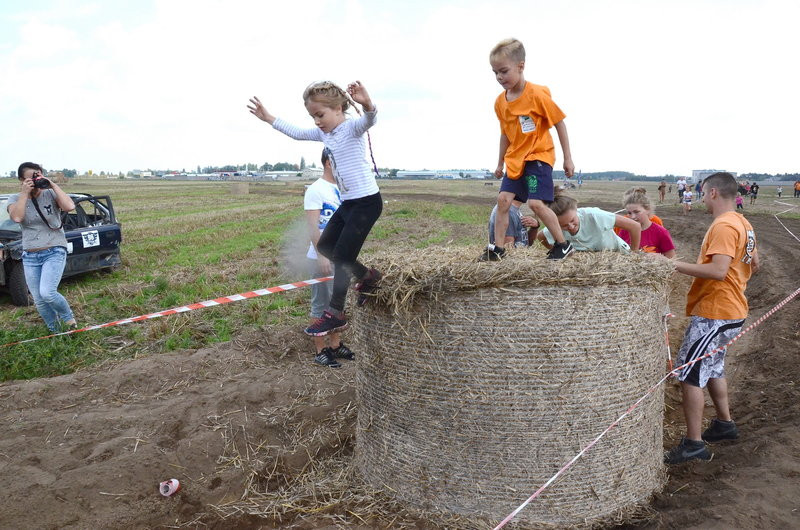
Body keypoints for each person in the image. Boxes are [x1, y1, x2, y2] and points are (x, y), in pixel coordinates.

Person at [248, 80, 382, 336]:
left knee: (342, 257)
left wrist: (367, 105)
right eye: (313, 117)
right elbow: (297, 132)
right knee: (325, 247)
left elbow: (369, 120)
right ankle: (368, 277)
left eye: (320, 115)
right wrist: (268, 118)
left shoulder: (352, 128)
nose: (317, 121)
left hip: (366, 202)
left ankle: (336, 313)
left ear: (339, 108)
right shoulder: (324, 134)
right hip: (350, 203)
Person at [664, 172, 759, 464]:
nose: (702, 198)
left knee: (689, 374)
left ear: (714, 193)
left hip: (715, 312)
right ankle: (724, 424)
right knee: (714, 367)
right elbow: (755, 262)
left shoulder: (723, 226)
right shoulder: (743, 223)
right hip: (732, 309)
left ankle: (693, 444)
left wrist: (670, 264)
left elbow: (718, 271)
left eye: (704, 193)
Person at [480, 38, 575, 262]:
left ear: (520, 66)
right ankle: (498, 249)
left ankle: (562, 245)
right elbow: (505, 133)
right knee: (503, 200)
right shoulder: (500, 102)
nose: (499, 77)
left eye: (504, 71)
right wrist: (500, 163)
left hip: (537, 157)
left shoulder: (537, 96)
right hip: (515, 160)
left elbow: (559, 123)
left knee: (535, 204)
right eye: (495, 73)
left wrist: (568, 159)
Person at [7, 162, 78, 332]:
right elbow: (17, 217)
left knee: (48, 293)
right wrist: (25, 193)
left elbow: (69, 206)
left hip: (54, 250)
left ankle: (69, 320)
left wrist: (52, 184)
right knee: (39, 299)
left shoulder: (50, 194)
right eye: (31, 177)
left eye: (38, 175)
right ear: (21, 180)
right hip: (30, 255)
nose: (36, 180)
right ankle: (57, 332)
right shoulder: (14, 199)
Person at [303, 148, 355, 368]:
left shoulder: (343, 189)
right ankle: (320, 350)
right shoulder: (316, 190)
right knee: (321, 305)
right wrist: (321, 255)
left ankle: (335, 345)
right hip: (322, 258)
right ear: (328, 163)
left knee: (337, 303)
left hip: (341, 257)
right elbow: (313, 227)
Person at [537, 194, 641, 252]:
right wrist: (555, 250)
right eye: (564, 225)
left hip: (616, 252)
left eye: (573, 220)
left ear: (576, 209)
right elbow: (541, 236)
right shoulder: (554, 226)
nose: (571, 226)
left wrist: (634, 254)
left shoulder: (594, 215)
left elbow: (635, 226)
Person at [618, 188, 675, 257]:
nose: (632, 217)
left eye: (636, 212)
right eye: (629, 213)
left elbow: (672, 260)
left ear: (648, 209)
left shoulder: (661, 232)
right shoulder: (624, 231)